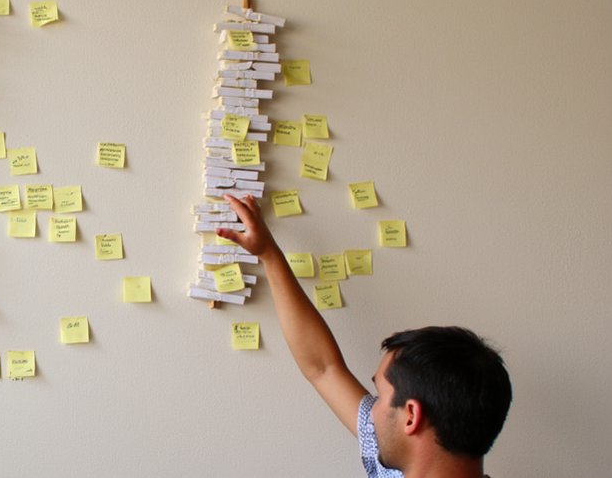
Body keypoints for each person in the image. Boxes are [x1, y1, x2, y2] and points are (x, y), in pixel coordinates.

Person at [217, 194, 512, 478]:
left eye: (381, 397)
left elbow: (323, 370)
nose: (371, 413)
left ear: (411, 416)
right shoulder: (395, 470)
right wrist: (269, 254)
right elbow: (322, 368)